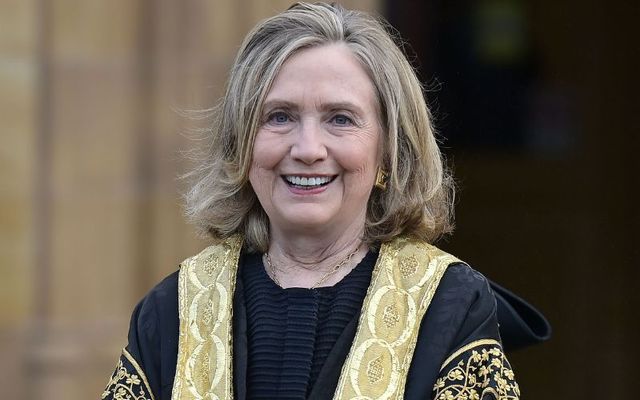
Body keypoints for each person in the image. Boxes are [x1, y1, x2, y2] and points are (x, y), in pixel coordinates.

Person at [102, 3, 549, 399]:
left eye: (340, 118)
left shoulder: (450, 307)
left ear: (389, 152)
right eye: (280, 117)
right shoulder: (175, 308)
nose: (308, 148)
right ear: (242, 145)